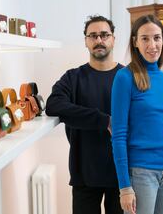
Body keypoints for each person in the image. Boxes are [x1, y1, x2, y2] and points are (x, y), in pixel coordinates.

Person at [46, 15, 124, 214]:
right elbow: (53, 105)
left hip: (123, 174)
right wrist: (104, 120)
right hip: (84, 173)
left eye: (105, 35)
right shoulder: (73, 78)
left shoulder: (128, 77)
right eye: (93, 36)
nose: (99, 40)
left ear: (113, 39)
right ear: (86, 41)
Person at [111, 14, 163, 214]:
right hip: (141, 173)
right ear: (135, 42)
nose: (152, 45)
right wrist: (125, 187)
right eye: (145, 38)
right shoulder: (124, 78)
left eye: (157, 37)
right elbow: (118, 135)